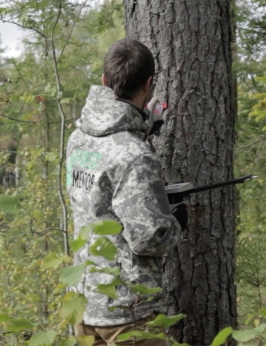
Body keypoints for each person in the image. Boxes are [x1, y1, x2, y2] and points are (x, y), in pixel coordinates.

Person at [66, 38, 187, 346]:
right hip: (127, 312)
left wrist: (144, 129)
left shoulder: (78, 138)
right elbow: (148, 237)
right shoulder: (134, 154)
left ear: (105, 81)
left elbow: (100, 195)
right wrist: (174, 223)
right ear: (149, 84)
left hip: (84, 302)